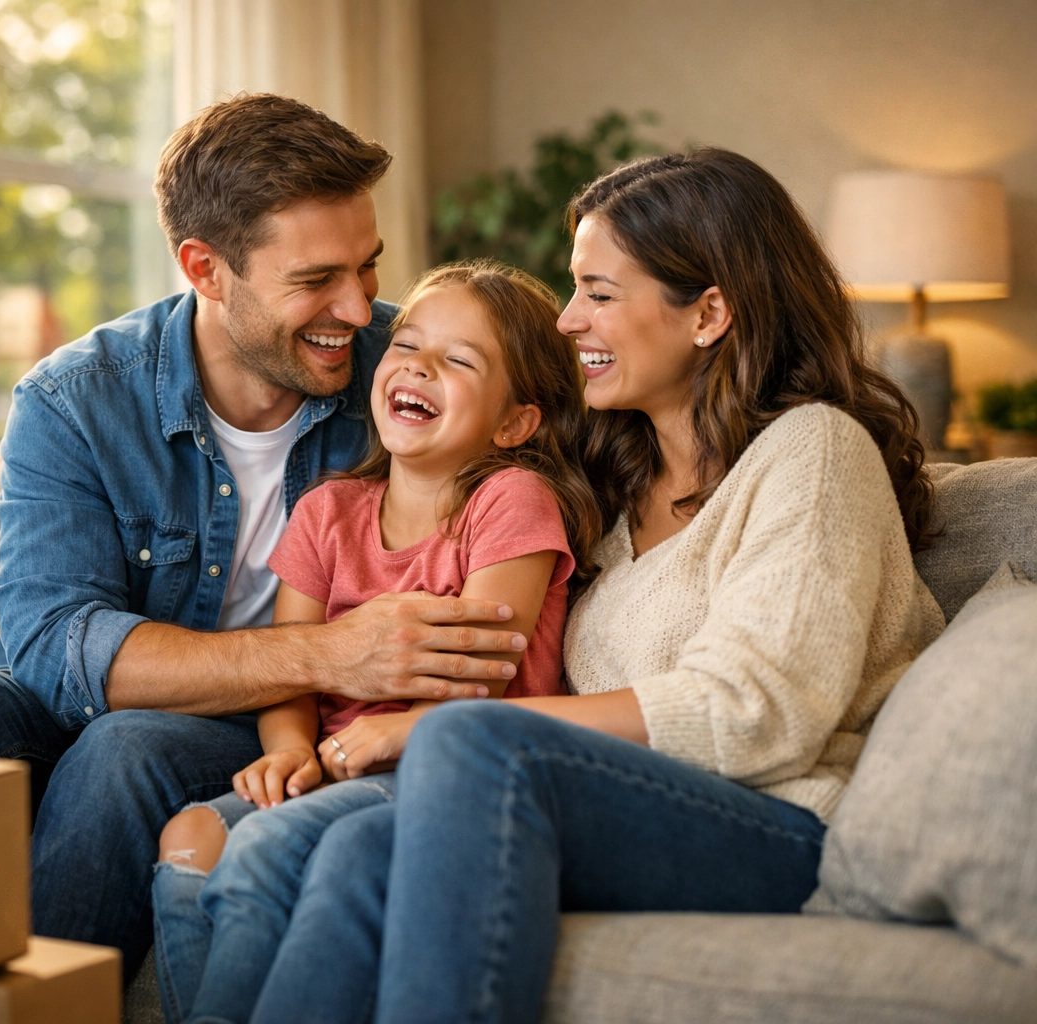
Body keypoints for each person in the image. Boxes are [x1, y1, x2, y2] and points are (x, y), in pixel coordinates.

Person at [181, 148, 947, 1024]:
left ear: (709, 313)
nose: (567, 320)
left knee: (469, 743)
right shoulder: (614, 488)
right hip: (617, 804)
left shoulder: (812, 451)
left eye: (599, 293)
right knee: (358, 848)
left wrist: (454, 726)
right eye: (573, 289)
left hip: (778, 824)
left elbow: (754, 713)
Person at [0, 93, 528, 980]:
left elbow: (560, 427)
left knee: (128, 749)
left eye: (368, 267)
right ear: (205, 268)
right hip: (174, 691)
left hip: (271, 728)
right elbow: (55, 649)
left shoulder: (414, 373)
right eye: (316, 279)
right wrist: (331, 653)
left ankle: (41, 1006)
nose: (360, 309)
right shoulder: (76, 398)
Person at [147, 261, 602, 1024]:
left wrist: (384, 733)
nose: (419, 365)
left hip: (438, 772)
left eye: (459, 361)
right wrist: (288, 747)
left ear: (516, 423)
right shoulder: (329, 512)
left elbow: (482, 675)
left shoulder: (509, 501)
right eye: (408, 344)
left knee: (264, 849)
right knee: (190, 835)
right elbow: (290, 664)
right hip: (336, 766)